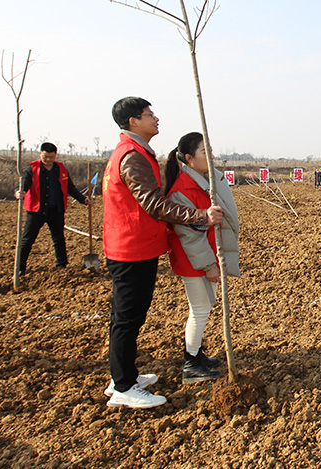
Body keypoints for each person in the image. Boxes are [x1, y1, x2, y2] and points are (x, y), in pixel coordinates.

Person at [102, 97, 223, 409]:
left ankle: (124, 375)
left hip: (135, 245)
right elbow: (154, 203)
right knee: (127, 318)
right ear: (133, 121)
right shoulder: (131, 156)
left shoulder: (137, 153)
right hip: (130, 247)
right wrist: (200, 216)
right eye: (149, 115)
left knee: (129, 316)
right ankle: (124, 386)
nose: (155, 119)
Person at [164, 132, 240, 384]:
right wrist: (208, 265)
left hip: (206, 255)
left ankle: (196, 355)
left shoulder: (205, 181)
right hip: (194, 260)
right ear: (189, 158)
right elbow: (188, 236)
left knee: (204, 306)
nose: (211, 156)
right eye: (204, 152)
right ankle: (191, 364)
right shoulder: (182, 190)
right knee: (200, 309)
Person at [14, 142, 92, 275]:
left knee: (59, 238)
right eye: (45, 157)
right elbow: (22, 186)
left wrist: (83, 199)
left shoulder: (61, 169)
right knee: (27, 240)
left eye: (51, 157)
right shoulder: (31, 170)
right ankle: (20, 268)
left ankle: (61, 264)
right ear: (40, 154)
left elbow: (70, 188)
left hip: (56, 210)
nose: (48, 160)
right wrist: (18, 193)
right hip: (36, 211)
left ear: (55, 155)